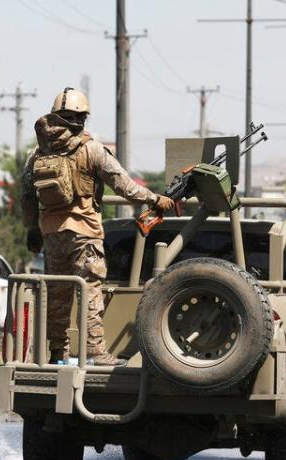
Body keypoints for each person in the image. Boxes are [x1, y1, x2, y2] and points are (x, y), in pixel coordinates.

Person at [21, 87, 175, 366]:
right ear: (81, 119)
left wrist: (33, 230)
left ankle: (57, 352)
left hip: (52, 233)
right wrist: (155, 199)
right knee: (90, 291)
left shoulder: (37, 153)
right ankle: (95, 352)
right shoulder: (91, 149)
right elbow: (124, 185)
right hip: (85, 233)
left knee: (58, 294)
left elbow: (26, 196)